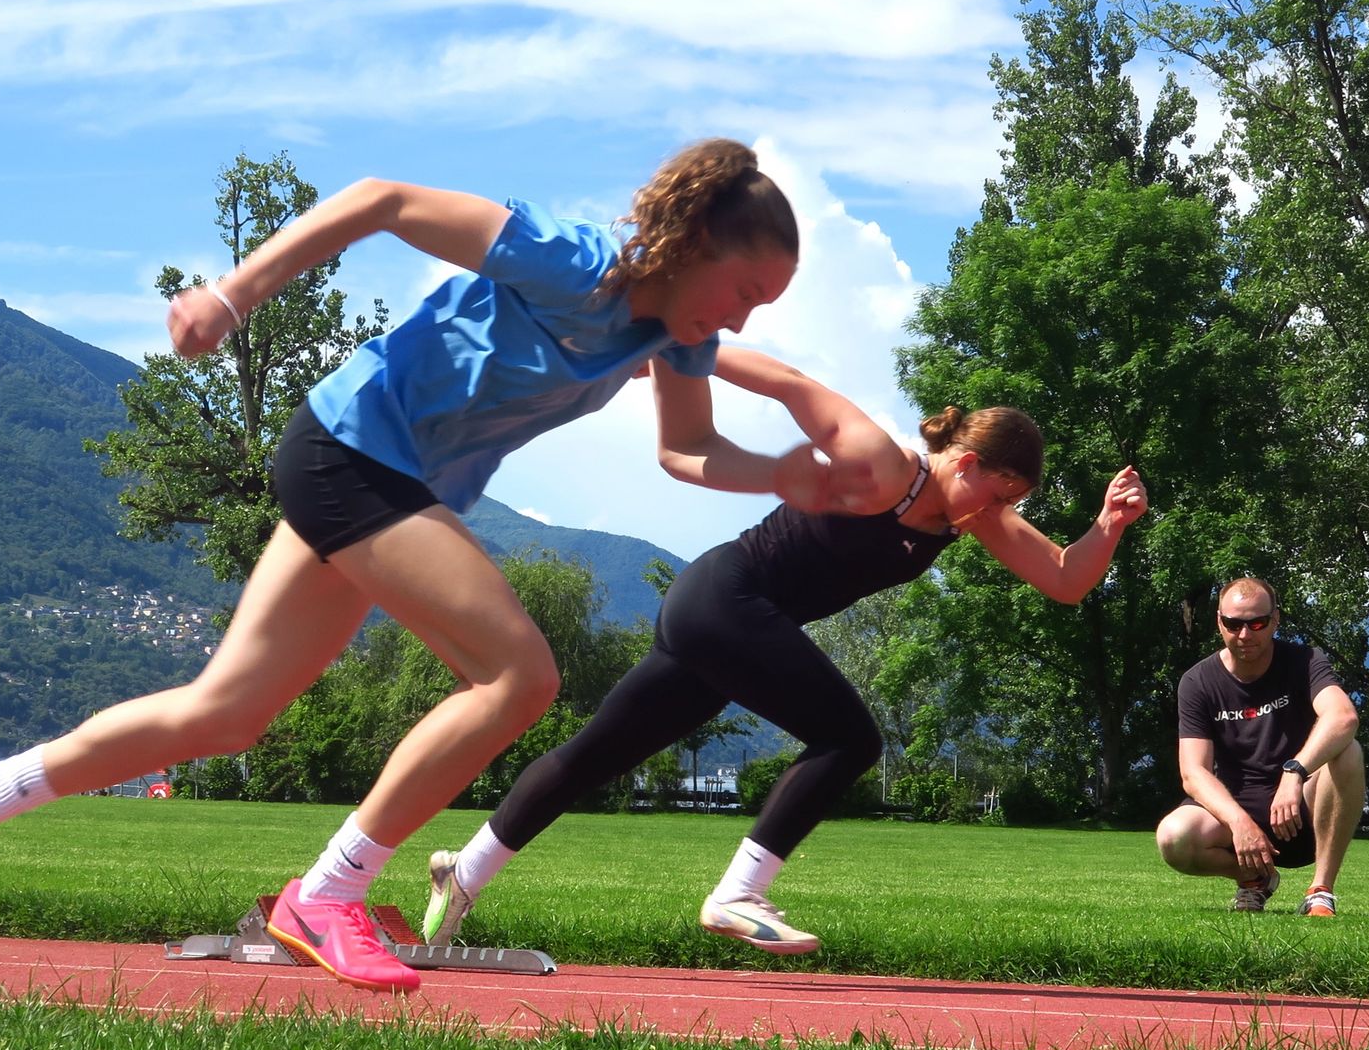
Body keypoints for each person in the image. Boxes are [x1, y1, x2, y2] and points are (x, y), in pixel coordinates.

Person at [0, 140, 837, 992]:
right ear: (694, 243)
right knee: (517, 676)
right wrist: (231, 296)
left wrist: (783, 475)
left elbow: (688, 450)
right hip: (351, 452)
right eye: (746, 292)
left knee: (226, 712)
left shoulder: (678, 339)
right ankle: (329, 892)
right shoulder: (570, 260)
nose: (743, 319)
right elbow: (382, 199)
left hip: (384, 482)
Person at [421, 348, 1149, 955]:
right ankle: (738, 894)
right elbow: (791, 384)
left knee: (596, 755)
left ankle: (463, 873)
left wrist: (1109, 525)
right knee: (849, 738)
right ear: (965, 462)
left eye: (1010, 503)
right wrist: (682, 351)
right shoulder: (886, 466)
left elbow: (1065, 579)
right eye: (998, 494)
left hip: (722, 622)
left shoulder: (966, 518)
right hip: (725, 598)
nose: (999, 512)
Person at [1154, 576, 1363, 915]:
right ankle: (1254, 879)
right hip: (1236, 812)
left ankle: (1320, 891)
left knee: (1349, 751)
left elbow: (1343, 717)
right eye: (1233, 624)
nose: (1244, 635)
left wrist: (1294, 773)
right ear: (1219, 622)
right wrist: (1238, 822)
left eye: (1257, 623)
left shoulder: (1305, 661)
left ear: (1275, 620)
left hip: (1302, 808)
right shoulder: (1197, 681)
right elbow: (1193, 773)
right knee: (1173, 836)